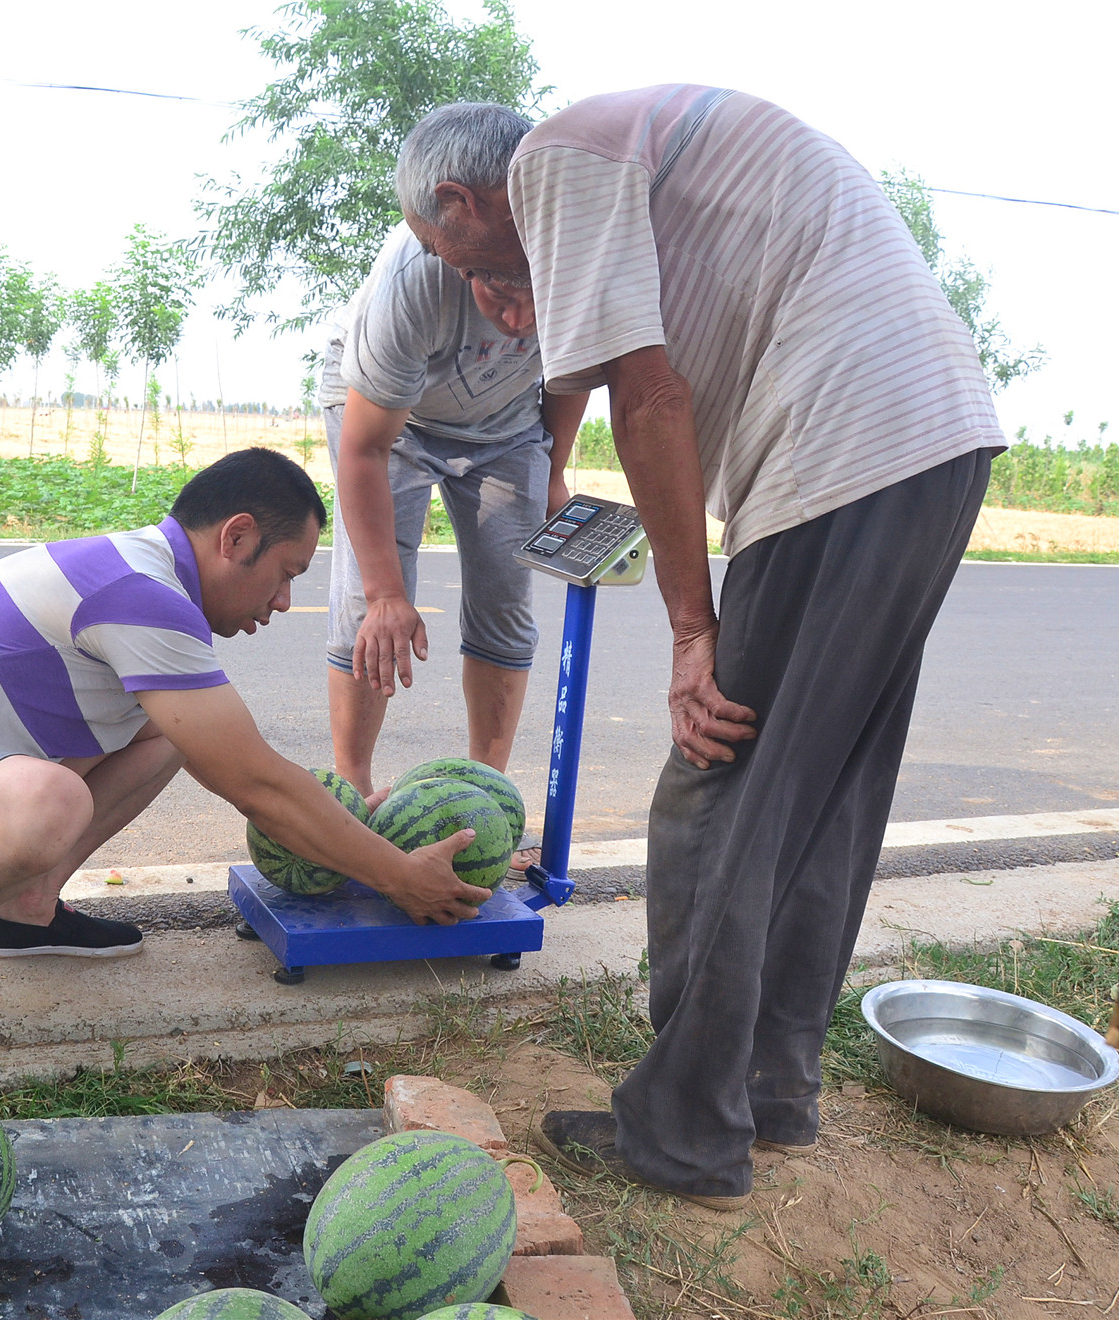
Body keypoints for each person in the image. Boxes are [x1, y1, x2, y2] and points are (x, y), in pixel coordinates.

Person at [395, 91, 1004, 1209]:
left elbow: (652, 395)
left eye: (452, 254)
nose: (471, 286)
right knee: (819, 795)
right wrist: (557, 435)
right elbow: (598, 369)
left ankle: (684, 1134)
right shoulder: (631, 148)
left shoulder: (557, 159)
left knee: (714, 782)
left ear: (458, 202)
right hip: (937, 438)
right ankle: (772, 1088)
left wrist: (692, 630)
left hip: (840, 453)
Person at [0, 447, 490, 1097]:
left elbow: (235, 755)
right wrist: (397, 873)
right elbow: (257, 783)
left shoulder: (142, 576)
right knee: (50, 800)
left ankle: (24, 912)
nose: (282, 603)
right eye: (286, 575)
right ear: (236, 538)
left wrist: (353, 834)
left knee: (173, 732)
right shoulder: (138, 593)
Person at [321, 159, 586, 824]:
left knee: (506, 598)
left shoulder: (581, 256)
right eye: (501, 296)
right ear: (467, 266)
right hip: (387, 422)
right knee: (367, 605)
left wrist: (553, 472)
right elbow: (364, 447)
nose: (521, 319)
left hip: (507, 425)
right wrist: (386, 594)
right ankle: (350, 794)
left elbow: (573, 375)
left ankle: (483, 796)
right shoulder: (414, 278)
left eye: (537, 298)